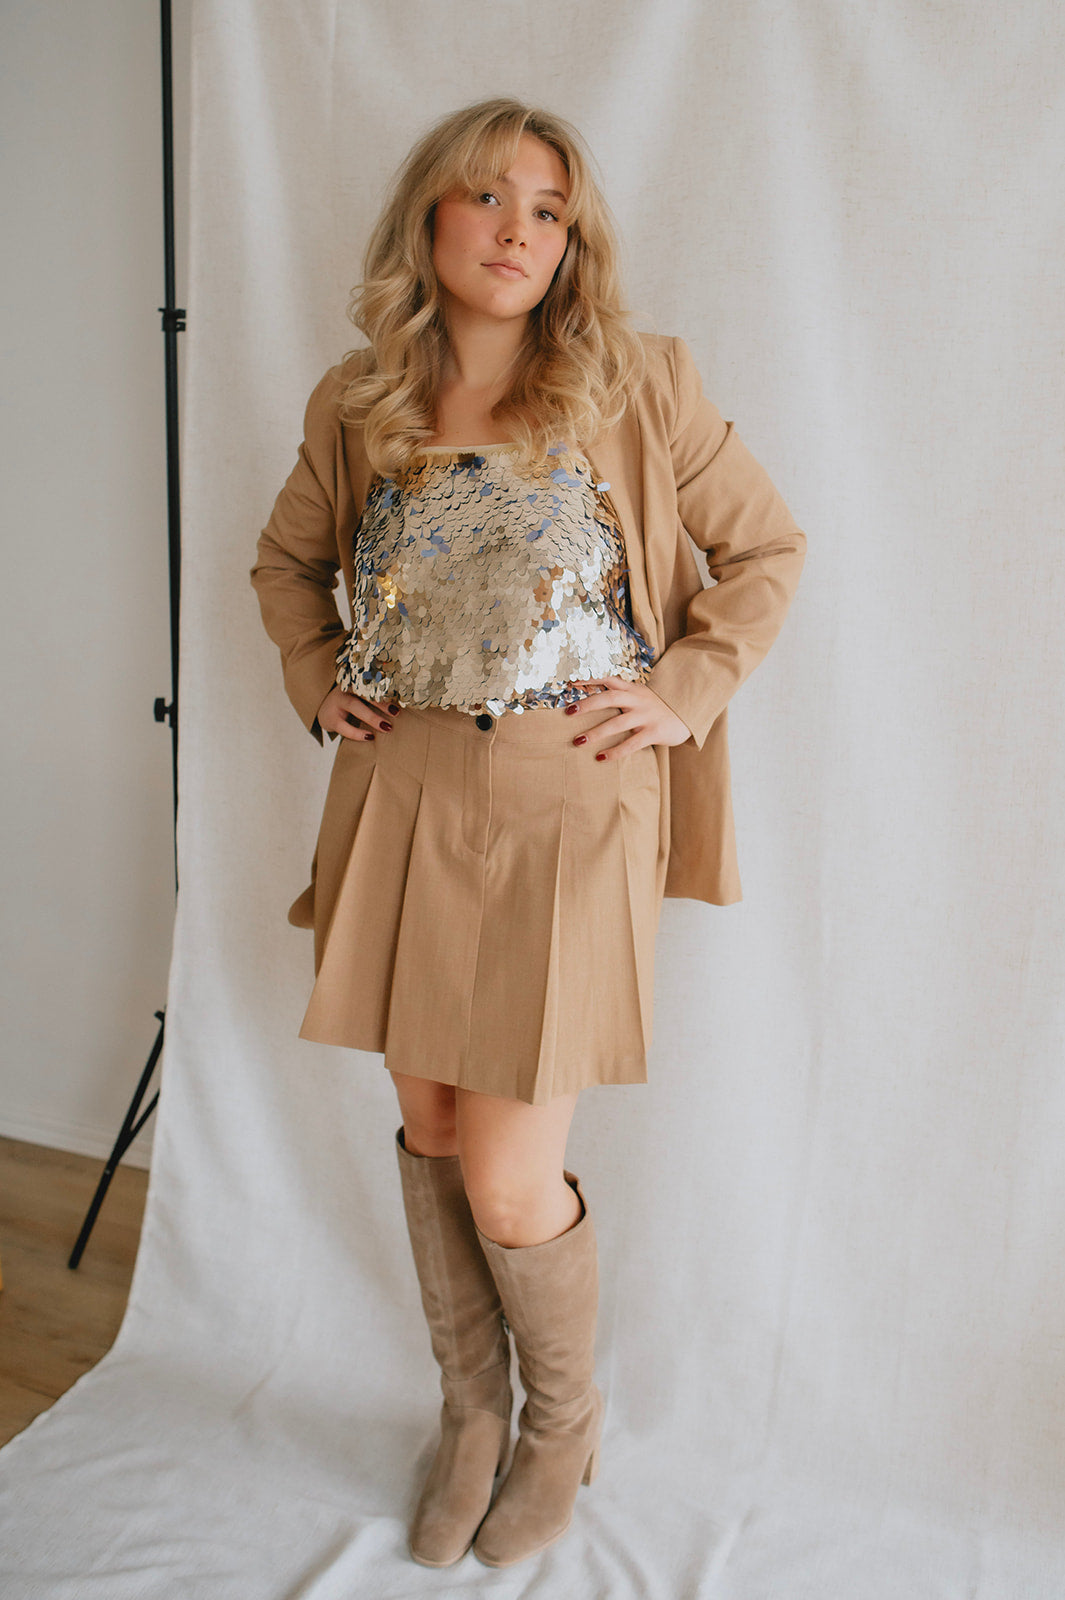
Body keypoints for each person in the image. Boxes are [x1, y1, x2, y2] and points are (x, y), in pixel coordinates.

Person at [251, 96, 805, 1570]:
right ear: (427, 218)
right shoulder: (358, 398)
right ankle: (471, 1411)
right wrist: (319, 677)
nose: (517, 231)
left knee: (507, 1171)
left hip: (572, 805)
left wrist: (683, 692)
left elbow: (765, 547)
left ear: (573, 242)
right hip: (403, 794)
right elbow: (287, 563)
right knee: (432, 1126)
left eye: (548, 210)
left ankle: (563, 1422)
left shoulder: (642, 380)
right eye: (488, 197)